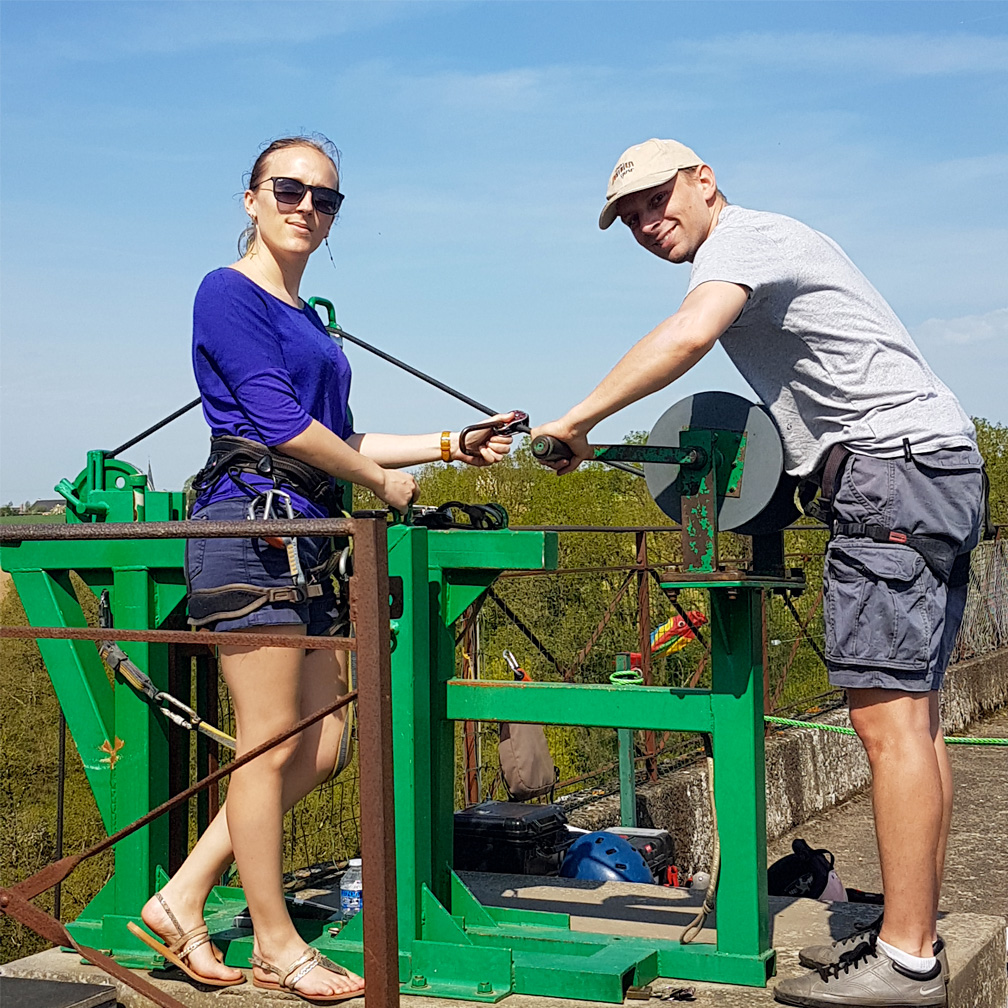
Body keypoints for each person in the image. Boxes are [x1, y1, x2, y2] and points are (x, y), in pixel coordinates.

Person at [532, 138, 985, 1008]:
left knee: (890, 728)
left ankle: (907, 961)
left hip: (891, 475)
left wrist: (576, 421)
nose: (646, 220)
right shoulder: (775, 242)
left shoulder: (742, 240)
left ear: (705, 181)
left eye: (657, 198)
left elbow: (687, 335)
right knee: (916, 727)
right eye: (628, 216)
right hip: (930, 468)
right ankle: (909, 934)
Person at [128, 134, 514, 1003]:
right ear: (252, 200)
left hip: (310, 533)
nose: (308, 207)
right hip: (250, 526)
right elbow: (273, 420)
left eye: (326, 199)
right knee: (268, 743)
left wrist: (455, 444)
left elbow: (344, 435)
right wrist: (382, 484)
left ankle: (181, 896)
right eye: (290, 190)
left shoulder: (309, 324)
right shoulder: (226, 293)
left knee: (322, 744)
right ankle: (275, 943)